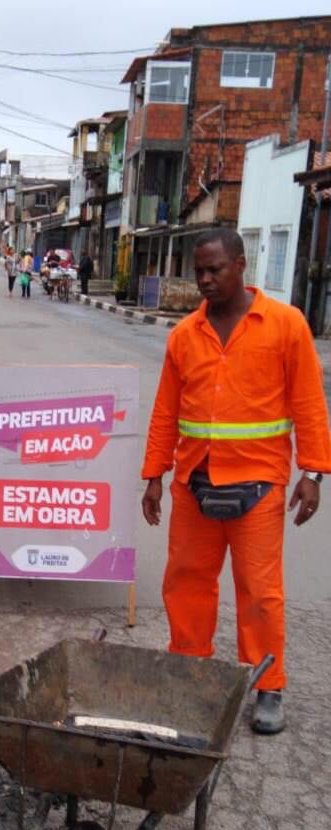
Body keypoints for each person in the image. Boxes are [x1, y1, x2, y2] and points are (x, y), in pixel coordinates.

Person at [141, 228, 331, 735]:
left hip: (260, 484)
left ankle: (269, 686)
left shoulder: (285, 325)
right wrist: (154, 476)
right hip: (194, 481)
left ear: (241, 265)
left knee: (260, 592)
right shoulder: (184, 336)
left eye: (214, 269)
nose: (204, 279)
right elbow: (166, 412)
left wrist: (313, 473)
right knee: (185, 582)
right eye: (198, 270)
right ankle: (190, 668)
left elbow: (309, 404)